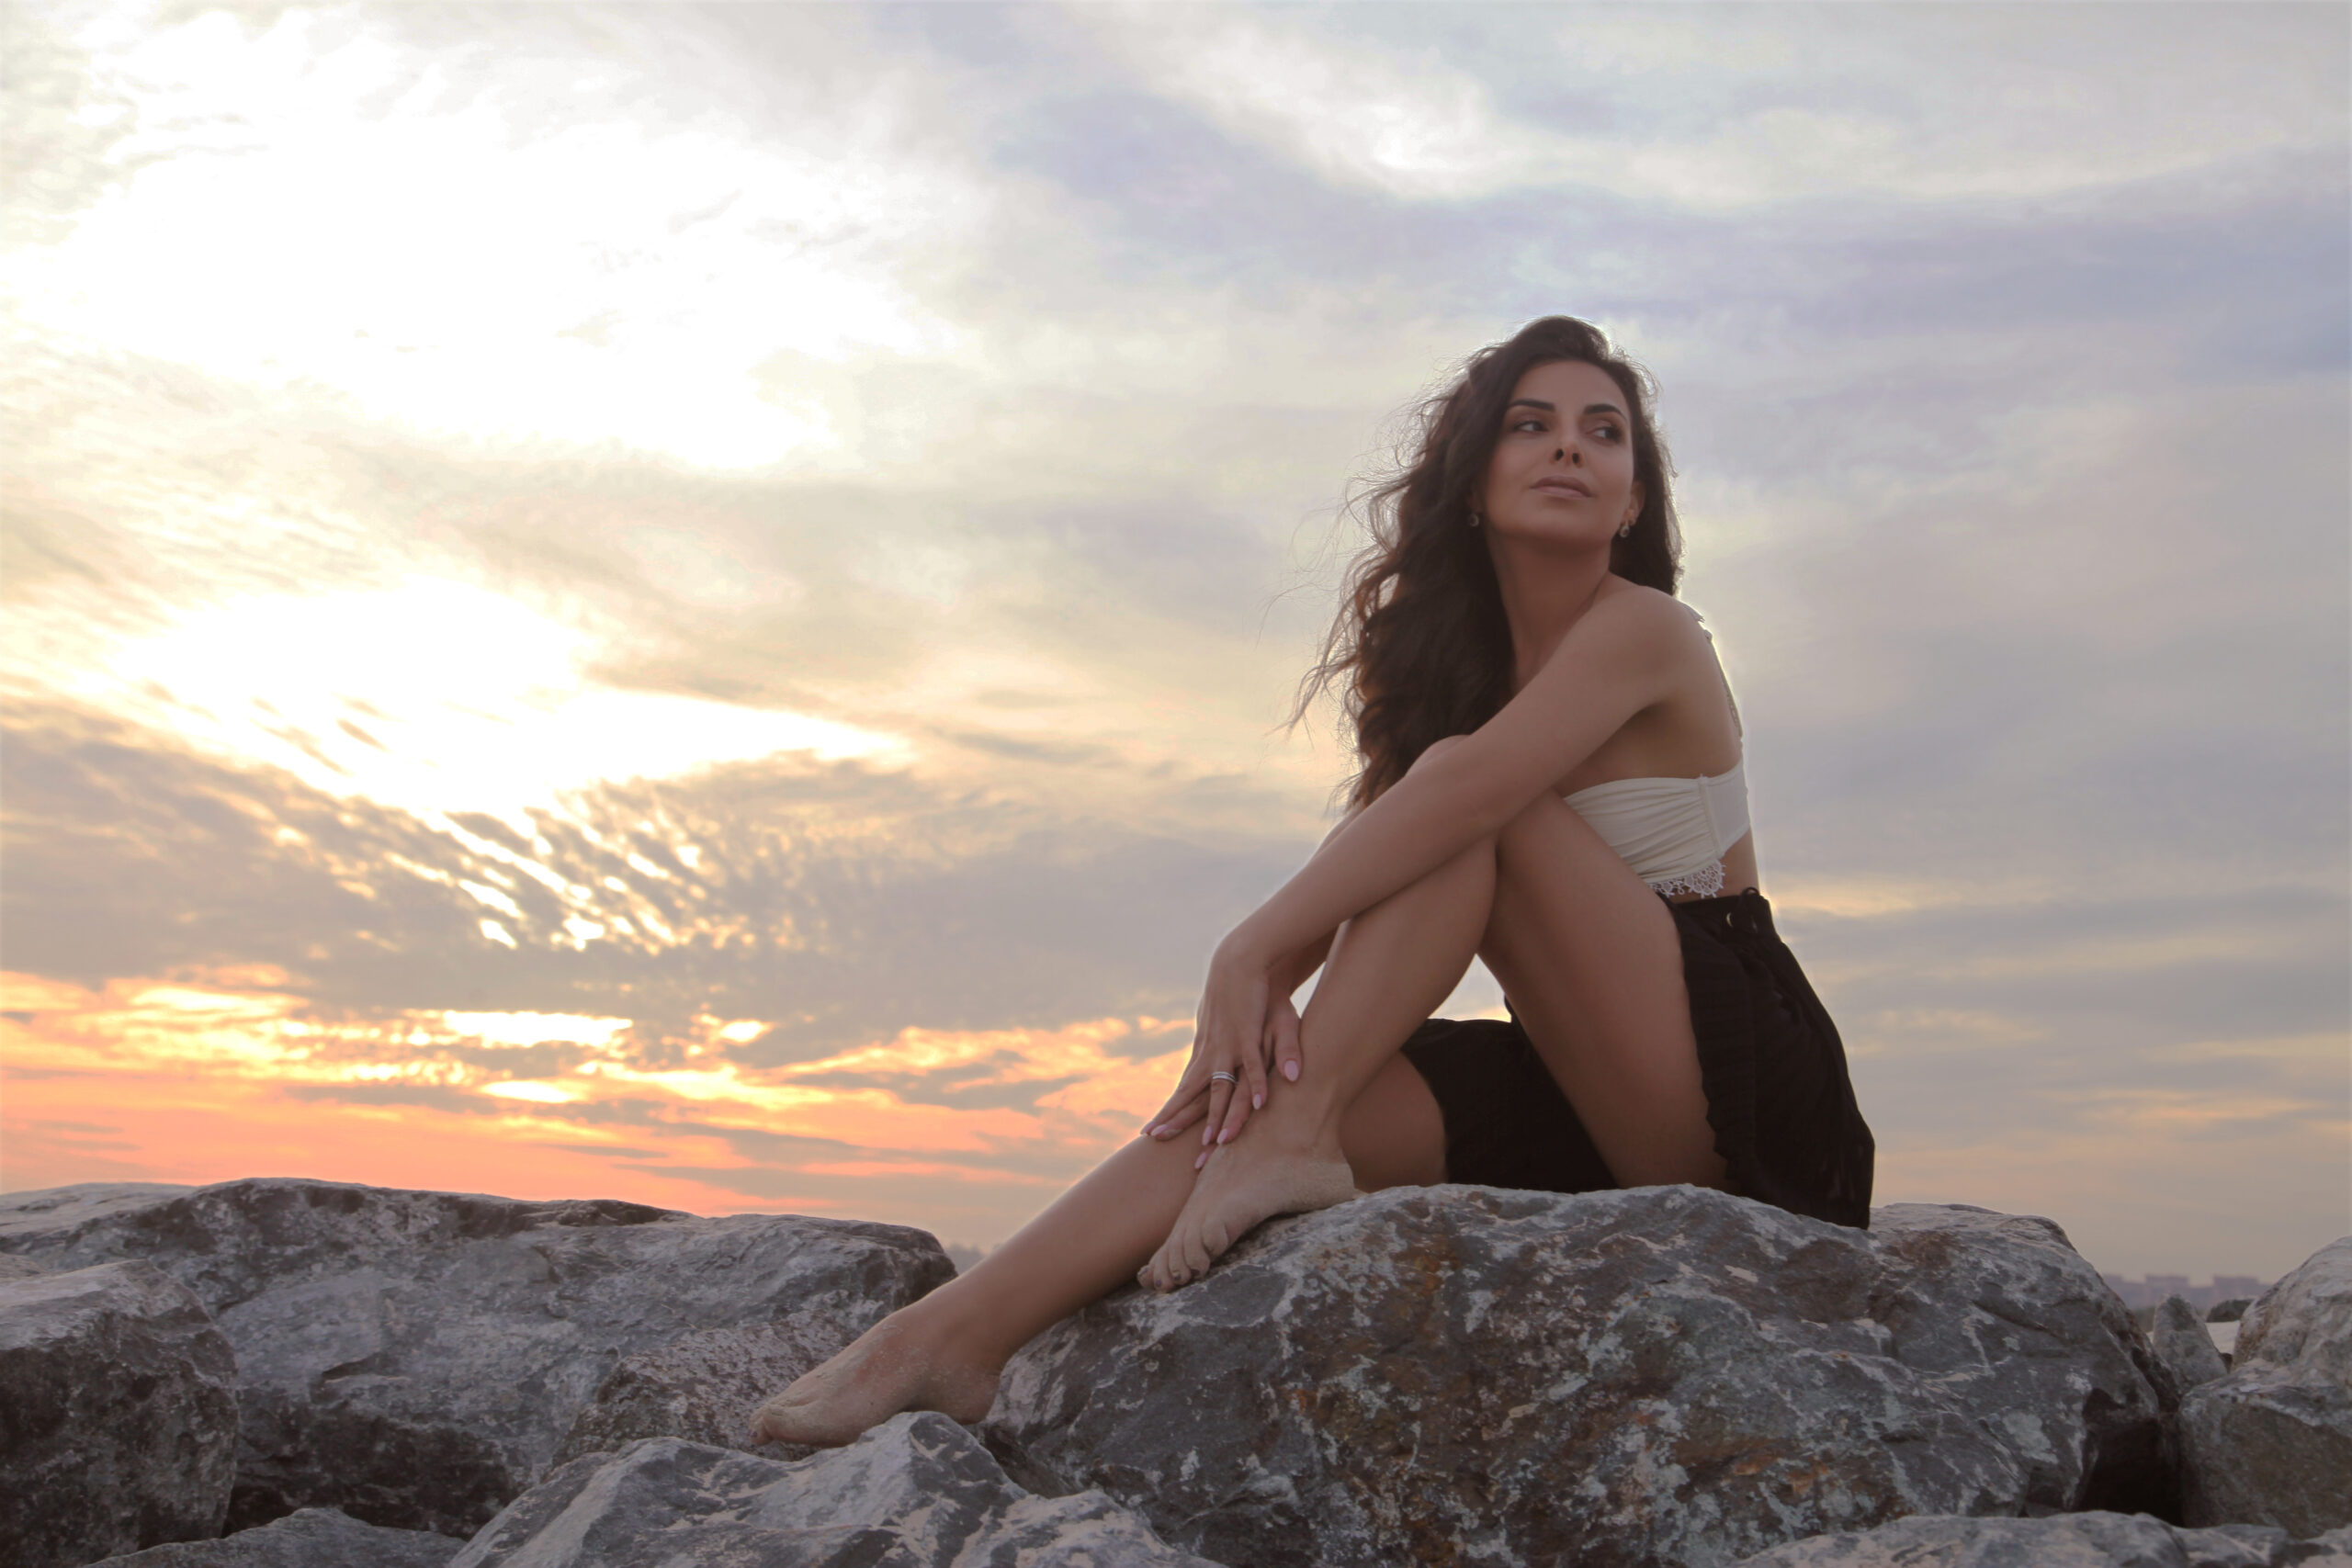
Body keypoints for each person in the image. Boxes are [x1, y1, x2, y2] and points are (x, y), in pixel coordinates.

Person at [751, 315, 1874, 1448]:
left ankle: (1286, 1137)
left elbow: (1464, 798)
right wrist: (1253, 1009)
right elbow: (1360, 870)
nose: (1569, 448)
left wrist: (1245, 951)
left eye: (1604, 432)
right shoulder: (1463, 679)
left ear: (1633, 499)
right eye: (1530, 426)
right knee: (1262, 1094)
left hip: (1746, 1103)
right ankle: (949, 1339)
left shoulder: (1649, 631)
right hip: (1577, 1081)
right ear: (1474, 481)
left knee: (1470, 806)